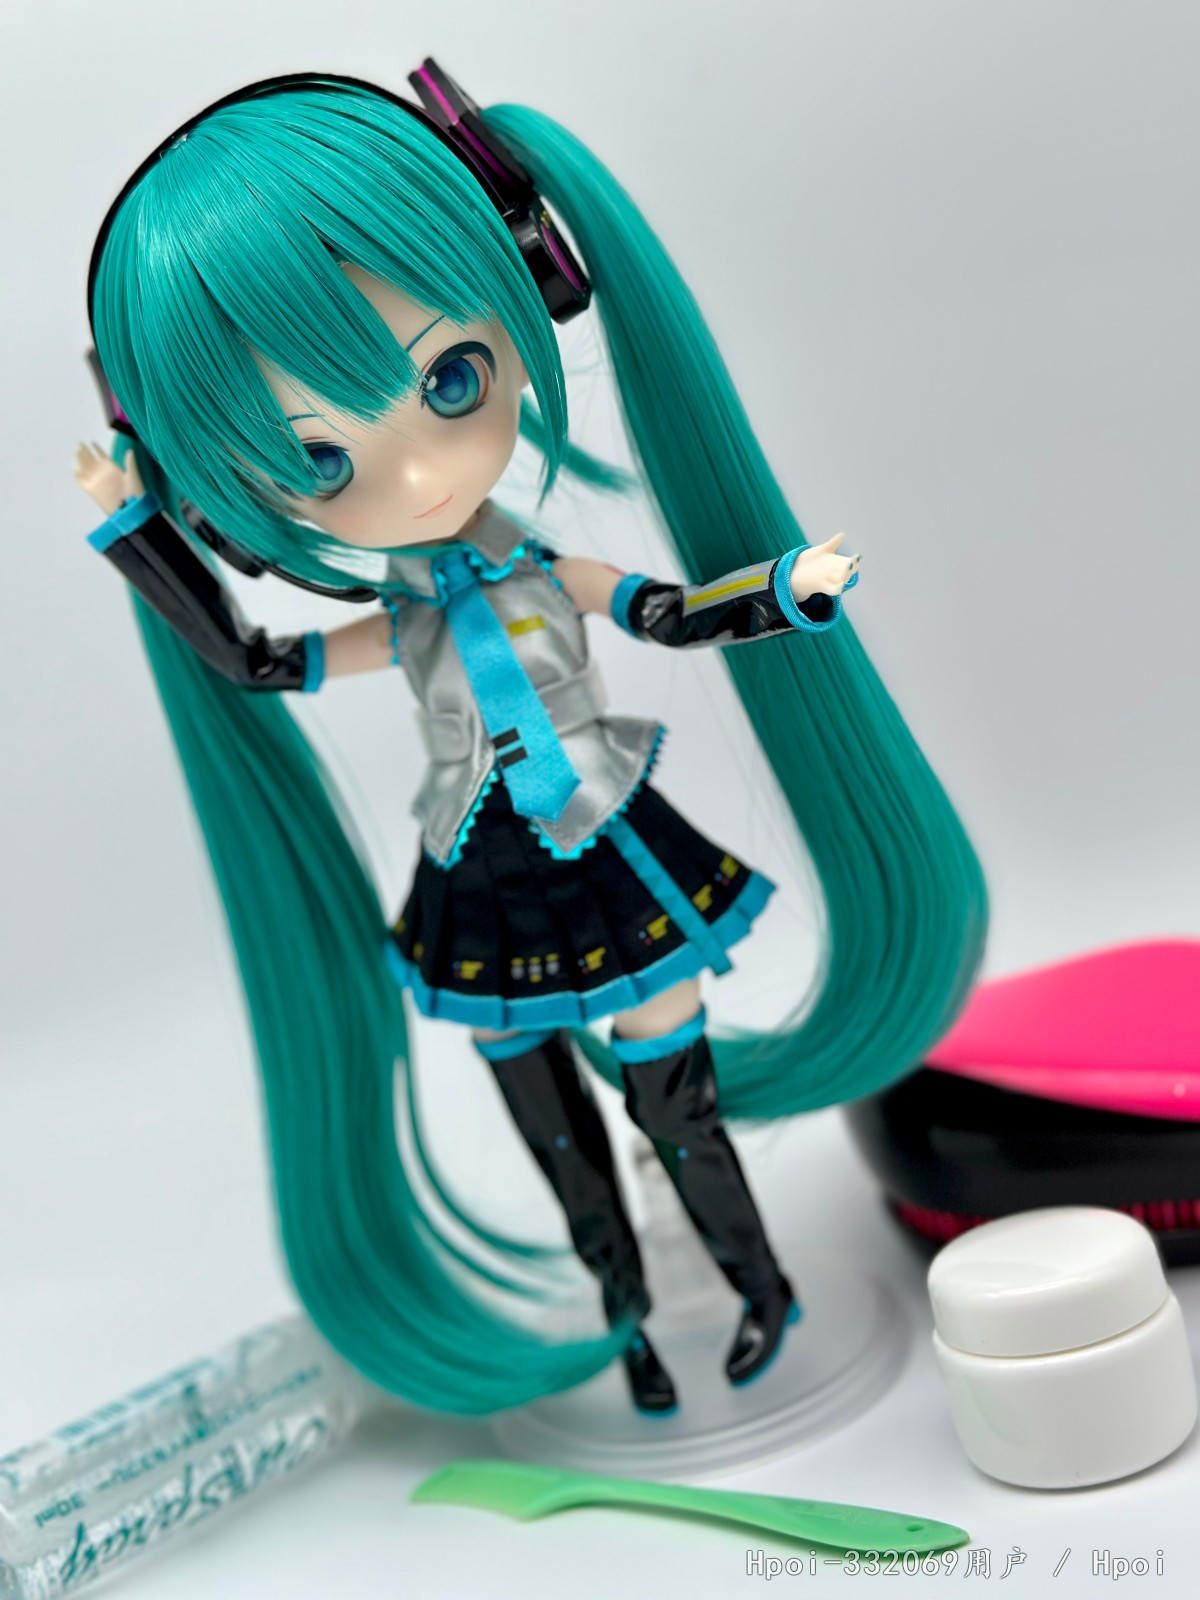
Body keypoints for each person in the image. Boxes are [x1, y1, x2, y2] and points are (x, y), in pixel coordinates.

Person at [76, 66, 987, 1417]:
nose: (418, 477)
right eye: (317, 461)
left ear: (534, 287)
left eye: (451, 378)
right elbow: (262, 663)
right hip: (480, 875)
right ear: (225, 508)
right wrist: (137, 537)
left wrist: (783, 594)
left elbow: (667, 612)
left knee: (672, 1103)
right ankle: (626, 1322)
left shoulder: (540, 572)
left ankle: (759, 1290)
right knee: (553, 1127)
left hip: (603, 840)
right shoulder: (401, 616)